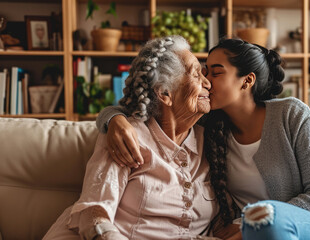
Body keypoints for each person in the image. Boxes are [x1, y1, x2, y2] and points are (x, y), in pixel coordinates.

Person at [96, 38, 310, 240]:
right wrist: (113, 119)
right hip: (255, 235)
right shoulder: (209, 125)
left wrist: (248, 224)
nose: (206, 82)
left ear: (246, 81)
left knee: (269, 221)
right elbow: (149, 102)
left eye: (215, 72)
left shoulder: (290, 114)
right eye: (202, 72)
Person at [43, 36, 218, 240]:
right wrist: (113, 117)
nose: (208, 83)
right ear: (165, 93)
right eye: (196, 75)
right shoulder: (126, 137)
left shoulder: (212, 140)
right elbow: (94, 214)